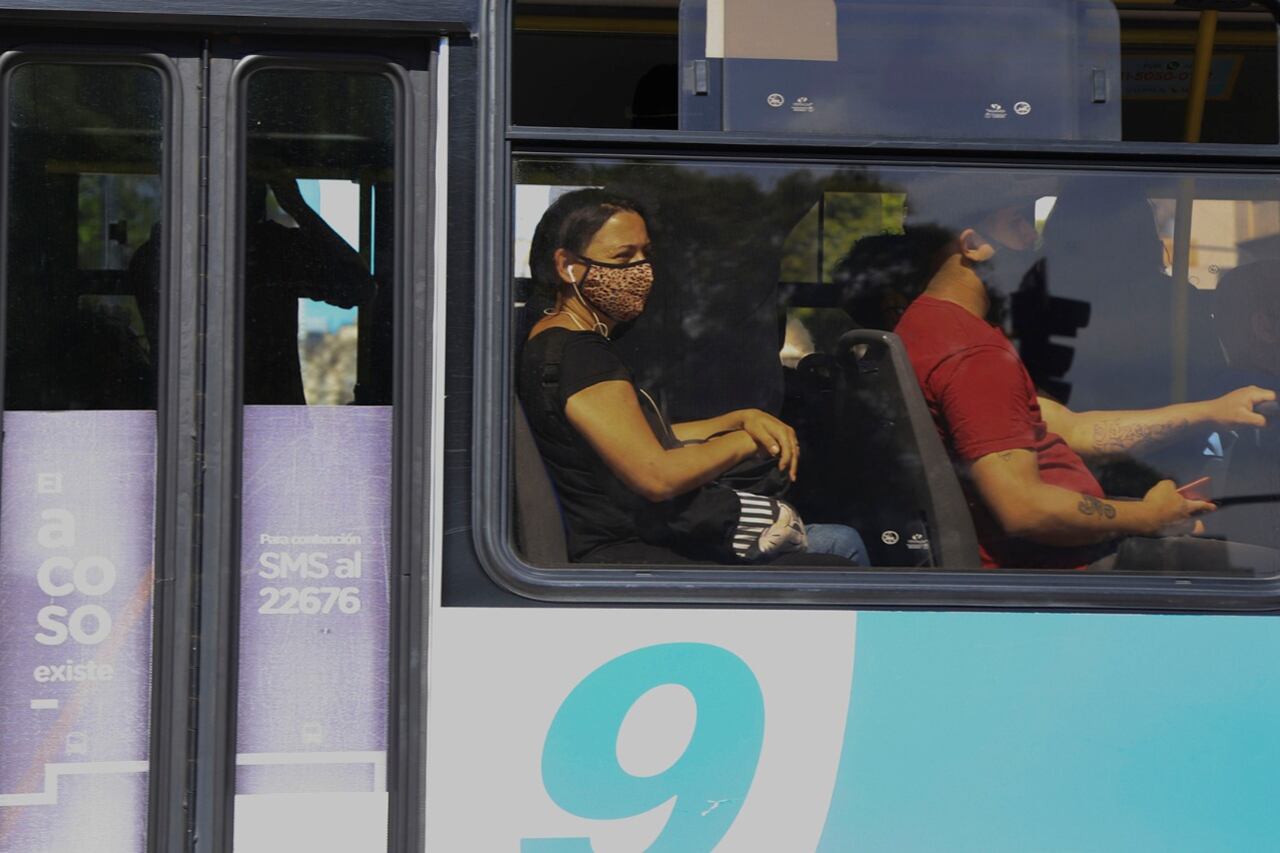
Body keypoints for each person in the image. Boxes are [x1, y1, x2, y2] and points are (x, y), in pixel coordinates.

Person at [893, 180, 1279, 572]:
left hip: (1067, 543)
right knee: (1268, 573)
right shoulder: (975, 354)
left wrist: (1209, 412)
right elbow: (1025, 510)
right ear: (972, 244)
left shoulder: (927, 324)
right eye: (1018, 224)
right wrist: (1149, 517)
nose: (1032, 240)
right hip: (1064, 566)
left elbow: (1071, 428)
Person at [517, 188, 867, 566]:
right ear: (567, 266)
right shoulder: (580, 357)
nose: (641, 270)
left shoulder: (556, 340)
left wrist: (738, 417)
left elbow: (632, 436)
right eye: (622, 257)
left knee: (837, 538)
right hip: (635, 551)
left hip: (629, 539)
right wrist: (744, 442)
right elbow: (657, 476)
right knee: (841, 551)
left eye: (644, 254)